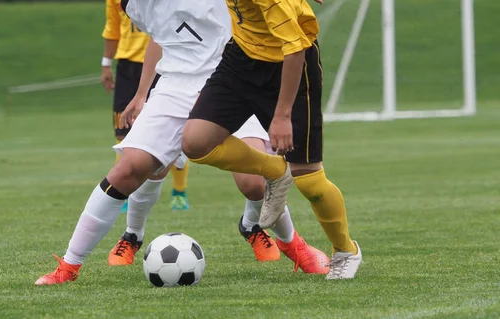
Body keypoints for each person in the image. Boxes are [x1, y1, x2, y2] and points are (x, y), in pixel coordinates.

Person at [35, 0, 327, 286]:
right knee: (129, 170)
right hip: (175, 83)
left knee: (253, 183)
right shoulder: (133, 5)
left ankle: (292, 245)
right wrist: (142, 94)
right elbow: (162, 38)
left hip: (232, 76)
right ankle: (70, 265)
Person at [181, 0, 363, 280]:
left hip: (291, 66)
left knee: (309, 180)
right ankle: (275, 171)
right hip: (241, 60)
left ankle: (345, 251)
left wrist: (281, 116)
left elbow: (295, 50)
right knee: (195, 142)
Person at [107, 114, 330, 273]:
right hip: (180, 87)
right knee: (151, 166)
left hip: (232, 85)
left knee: (254, 183)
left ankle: (257, 229)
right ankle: (132, 236)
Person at [100, 0, 189, 212]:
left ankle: (179, 192)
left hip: (164, 65)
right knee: (123, 131)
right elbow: (112, 28)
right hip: (128, 68)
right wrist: (106, 63)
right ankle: (124, 194)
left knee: (175, 134)